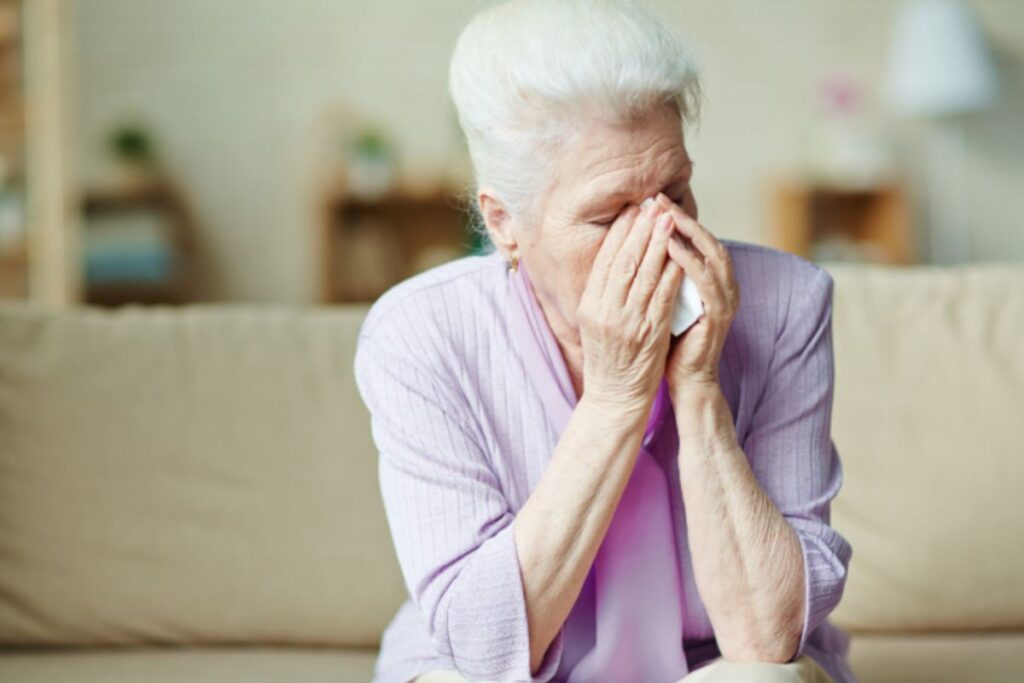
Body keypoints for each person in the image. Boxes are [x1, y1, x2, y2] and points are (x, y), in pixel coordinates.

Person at [353, 1, 856, 681]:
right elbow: (484, 646)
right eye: (609, 213)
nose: (661, 240)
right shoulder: (419, 335)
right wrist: (617, 397)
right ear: (505, 222)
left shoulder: (789, 303)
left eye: (675, 192)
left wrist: (699, 388)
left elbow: (767, 635)